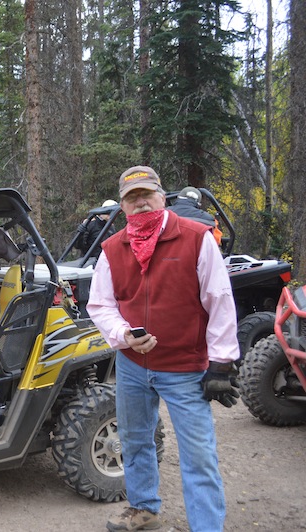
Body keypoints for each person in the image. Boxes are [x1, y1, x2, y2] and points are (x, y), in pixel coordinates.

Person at [87, 166, 240, 532]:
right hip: (132, 366)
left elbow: (219, 300)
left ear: (161, 195)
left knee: (198, 455)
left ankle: (207, 526)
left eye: (146, 195)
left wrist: (221, 363)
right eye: (131, 198)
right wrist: (124, 335)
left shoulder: (195, 237)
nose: (140, 203)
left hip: (185, 367)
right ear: (122, 205)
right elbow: (101, 305)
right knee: (136, 441)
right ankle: (143, 510)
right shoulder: (112, 248)